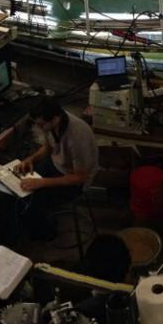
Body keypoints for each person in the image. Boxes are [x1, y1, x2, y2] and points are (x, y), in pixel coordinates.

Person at [16, 97, 99, 239]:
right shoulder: (55, 121)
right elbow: (48, 147)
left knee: (31, 202)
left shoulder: (78, 137)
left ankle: (47, 234)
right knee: (20, 186)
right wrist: (31, 159)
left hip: (74, 181)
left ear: (54, 119)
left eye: (41, 125)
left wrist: (42, 183)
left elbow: (80, 178)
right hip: (57, 165)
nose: (38, 128)